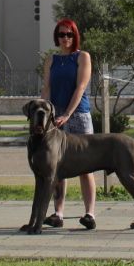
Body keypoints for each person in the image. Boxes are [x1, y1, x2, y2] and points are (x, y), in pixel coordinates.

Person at [41, 18, 96, 230]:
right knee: (57, 167)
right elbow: (46, 88)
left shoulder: (82, 57)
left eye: (69, 34)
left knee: (85, 167)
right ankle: (58, 212)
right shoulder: (51, 60)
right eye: (62, 34)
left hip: (78, 116)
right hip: (55, 117)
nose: (65, 38)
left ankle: (89, 213)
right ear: (57, 36)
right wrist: (45, 112)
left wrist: (68, 114)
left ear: (75, 36)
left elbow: (80, 87)